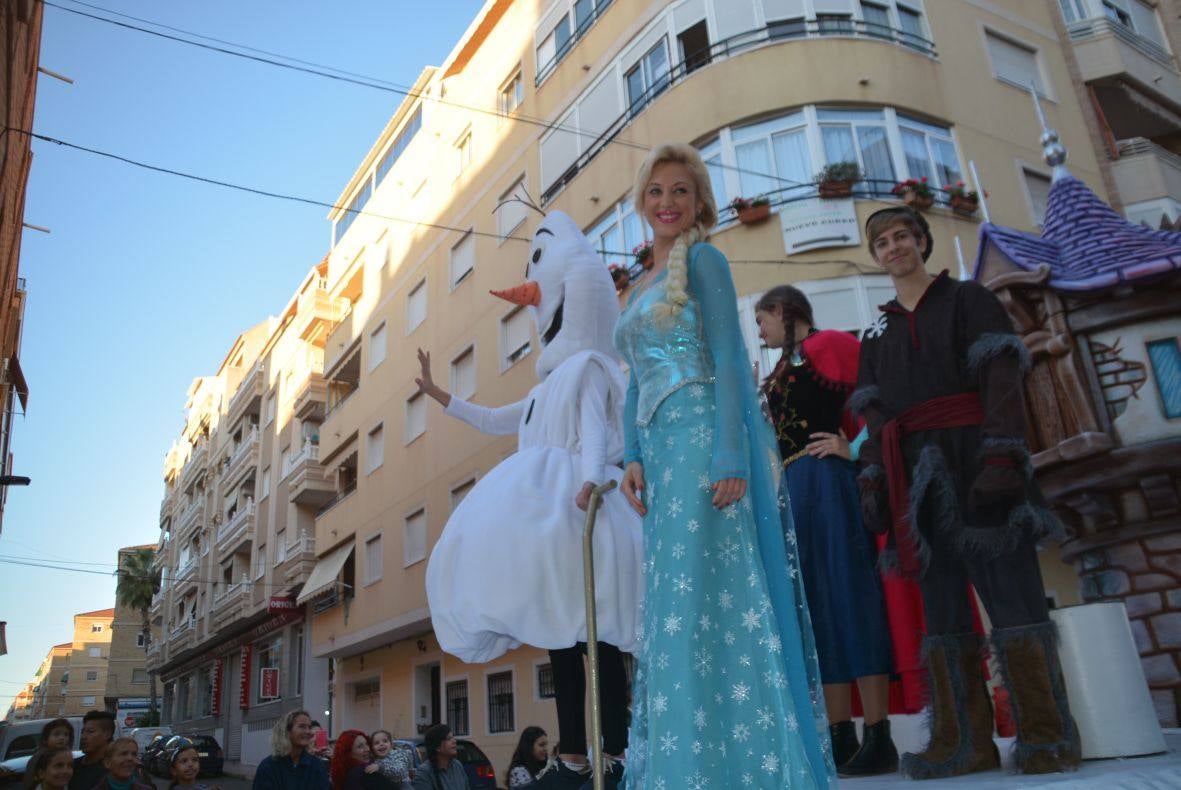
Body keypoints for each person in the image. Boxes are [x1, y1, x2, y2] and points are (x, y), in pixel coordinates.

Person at [614, 142, 835, 788]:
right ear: (641, 202)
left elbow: (730, 360)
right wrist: (629, 455)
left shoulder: (705, 260)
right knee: (674, 608)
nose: (666, 202)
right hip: (658, 458)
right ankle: (691, 761)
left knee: (717, 599)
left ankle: (747, 760)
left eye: (680, 191)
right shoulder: (637, 286)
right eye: (656, 191)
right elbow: (633, 385)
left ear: (699, 202)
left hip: (701, 445)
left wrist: (730, 452)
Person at [854, 205, 1080, 779]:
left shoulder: (968, 300)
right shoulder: (874, 331)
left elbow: (1002, 380)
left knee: (1016, 602)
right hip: (916, 481)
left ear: (922, 240)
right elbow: (876, 415)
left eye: (902, 235)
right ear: (875, 255)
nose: (893, 247)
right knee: (943, 615)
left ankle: (1047, 736)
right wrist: (876, 476)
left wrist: (1003, 455)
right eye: (881, 242)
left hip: (978, 462)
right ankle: (963, 744)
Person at [420, 209, 642, 786]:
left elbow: (595, 426)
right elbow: (496, 419)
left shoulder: (590, 367)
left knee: (601, 638)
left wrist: (592, 480)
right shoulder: (546, 387)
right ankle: (573, 753)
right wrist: (441, 396)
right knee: (563, 640)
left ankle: (615, 751)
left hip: (582, 505)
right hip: (553, 516)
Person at [754, 286, 900, 776]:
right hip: (794, 491)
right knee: (816, 610)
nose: (760, 331)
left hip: (831, 485)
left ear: (782, 311)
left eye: (762, 320)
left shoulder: (832, 343)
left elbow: (883, 396)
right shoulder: (777, 370)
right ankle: (840, 737)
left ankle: (879, 735)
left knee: (850, 595)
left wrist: (855, 446)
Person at [252, 710, 330, 790]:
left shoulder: (317, 766)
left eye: (309, 727)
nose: (308, 731)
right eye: (302, 726)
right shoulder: (268, 766)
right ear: (287, 731)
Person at [409, 726, 468, 790]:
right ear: (437, 747)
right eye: (449, 738)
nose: (454, 741)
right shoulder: (424, 772)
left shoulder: (457, 766)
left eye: (453, 737)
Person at [69, 711, 115, 790]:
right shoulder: (70, 767)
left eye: (90, 731)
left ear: (107, 734)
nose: (83, 737)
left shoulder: (114, 770)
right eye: (82, 732)